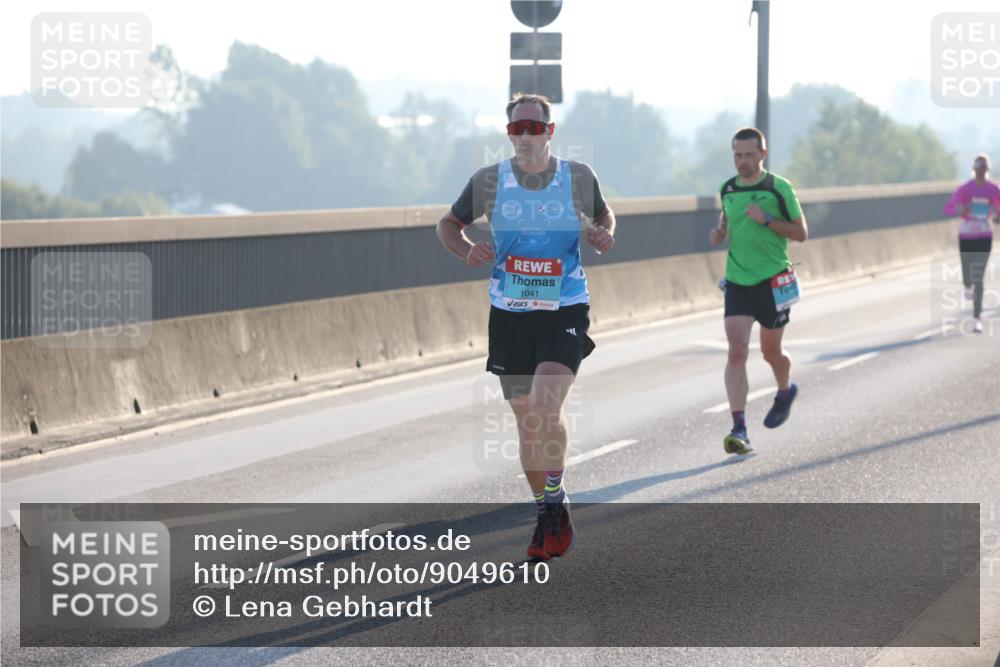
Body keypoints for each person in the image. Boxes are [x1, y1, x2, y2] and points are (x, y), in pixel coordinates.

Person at [436, 93, 616, 560]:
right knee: (527, 422)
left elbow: (603, 214)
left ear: (550, 132)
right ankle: (547, 510)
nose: (526, 136)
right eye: (518, 129)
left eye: (535, 128)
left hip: (564, 307)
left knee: (545, 406)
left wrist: (604, 232)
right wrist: (467, 249)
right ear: (509, 133)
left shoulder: (577, 176)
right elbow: (448, 224)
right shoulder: (490, 181)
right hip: (510, 313)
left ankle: (554, 497)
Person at [708, 127, 808, 455]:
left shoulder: (778, 188)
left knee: (770, 353)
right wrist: (719, 233)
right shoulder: (728, 189)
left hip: (773, 280)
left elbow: (801, 233)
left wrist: (766, 220)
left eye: (749, 155)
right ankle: (739, 428)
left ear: (762, 154)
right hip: (738, 280)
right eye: (738, 155)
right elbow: (726, 223)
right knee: (736, 351)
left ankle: (784, 389)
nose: (743, 161)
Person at [944, 154, 1000, 334]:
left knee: (979, 276)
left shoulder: (993, 189)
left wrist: (997, 216)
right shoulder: (966, 189)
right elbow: (949, 208)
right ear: (974, 170)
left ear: (987, 170)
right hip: (967, 234)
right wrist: (962, 208)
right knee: (968, 274)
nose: (981, 173)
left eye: (983, 170)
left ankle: (977, 319)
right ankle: (967, 285)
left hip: (984, 234)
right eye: (978, 170)